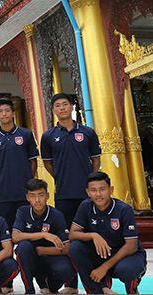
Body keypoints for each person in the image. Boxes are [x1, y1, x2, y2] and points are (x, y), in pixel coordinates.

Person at [69, 172, 147, 294]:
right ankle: (97, 290)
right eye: (93, 190)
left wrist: (104, 267)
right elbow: (72, 234)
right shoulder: (85, 206)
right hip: (101, 254)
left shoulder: (124, 209)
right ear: (88, 192)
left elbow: (131, 246)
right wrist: (93, 235)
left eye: (102, 189)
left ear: (111, 190)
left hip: (126, 256)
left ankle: (132, 288)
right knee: (75, 247)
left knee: (127, 270)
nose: (98, 194)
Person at [41, 93, 102, 227]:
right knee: (67, 229)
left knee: (89, 226)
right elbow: (47, 162)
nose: (62, 108)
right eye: (57, 106)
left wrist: (90, 177)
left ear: (72, 107)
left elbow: (96, 158)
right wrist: (58, 175)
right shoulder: (48, 136)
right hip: (63, 192)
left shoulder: (88, 132)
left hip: (86, 191)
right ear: (53, 110)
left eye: (65, 104)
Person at [11, 179, 76, 295]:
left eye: (41, 195)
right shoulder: (23, 212)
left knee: (67, 270)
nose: (37, 200)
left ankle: (51, 286)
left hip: (52, 256)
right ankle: (29, 290)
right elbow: (15, 237)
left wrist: (41, 251)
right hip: (31, 258)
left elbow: (67, 247)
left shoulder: (56, 215)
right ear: (27, 197)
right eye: (32, 196)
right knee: (23, 247)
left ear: (48, 196)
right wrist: (44, 234)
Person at [0, 98, 39, 228]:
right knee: (7, 227)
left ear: (13, 113)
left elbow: (33, 161)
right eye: (0, 111)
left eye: (7, 110)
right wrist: (3, 180)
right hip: (5, 193)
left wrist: (28, 179)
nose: (4, 114)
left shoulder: (26, 134)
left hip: (25, 190)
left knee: (28, 225)